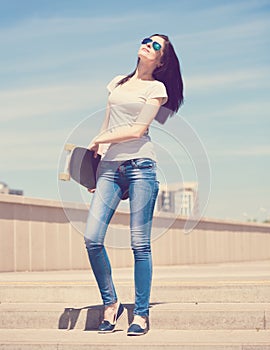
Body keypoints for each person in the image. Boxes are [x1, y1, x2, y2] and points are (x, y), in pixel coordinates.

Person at [84, 34, 184, 336]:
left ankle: (140, 314)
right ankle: (111, 305)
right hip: (110, 168)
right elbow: (108, 123)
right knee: (92, 238)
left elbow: (139, 130)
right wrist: (95, 165)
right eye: (147, 40)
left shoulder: (157, 88)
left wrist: (99, 140)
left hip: (141, 166)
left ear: (162, 60)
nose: (148, 45)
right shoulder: (117, 82)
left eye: (156, 46)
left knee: (139, 244)